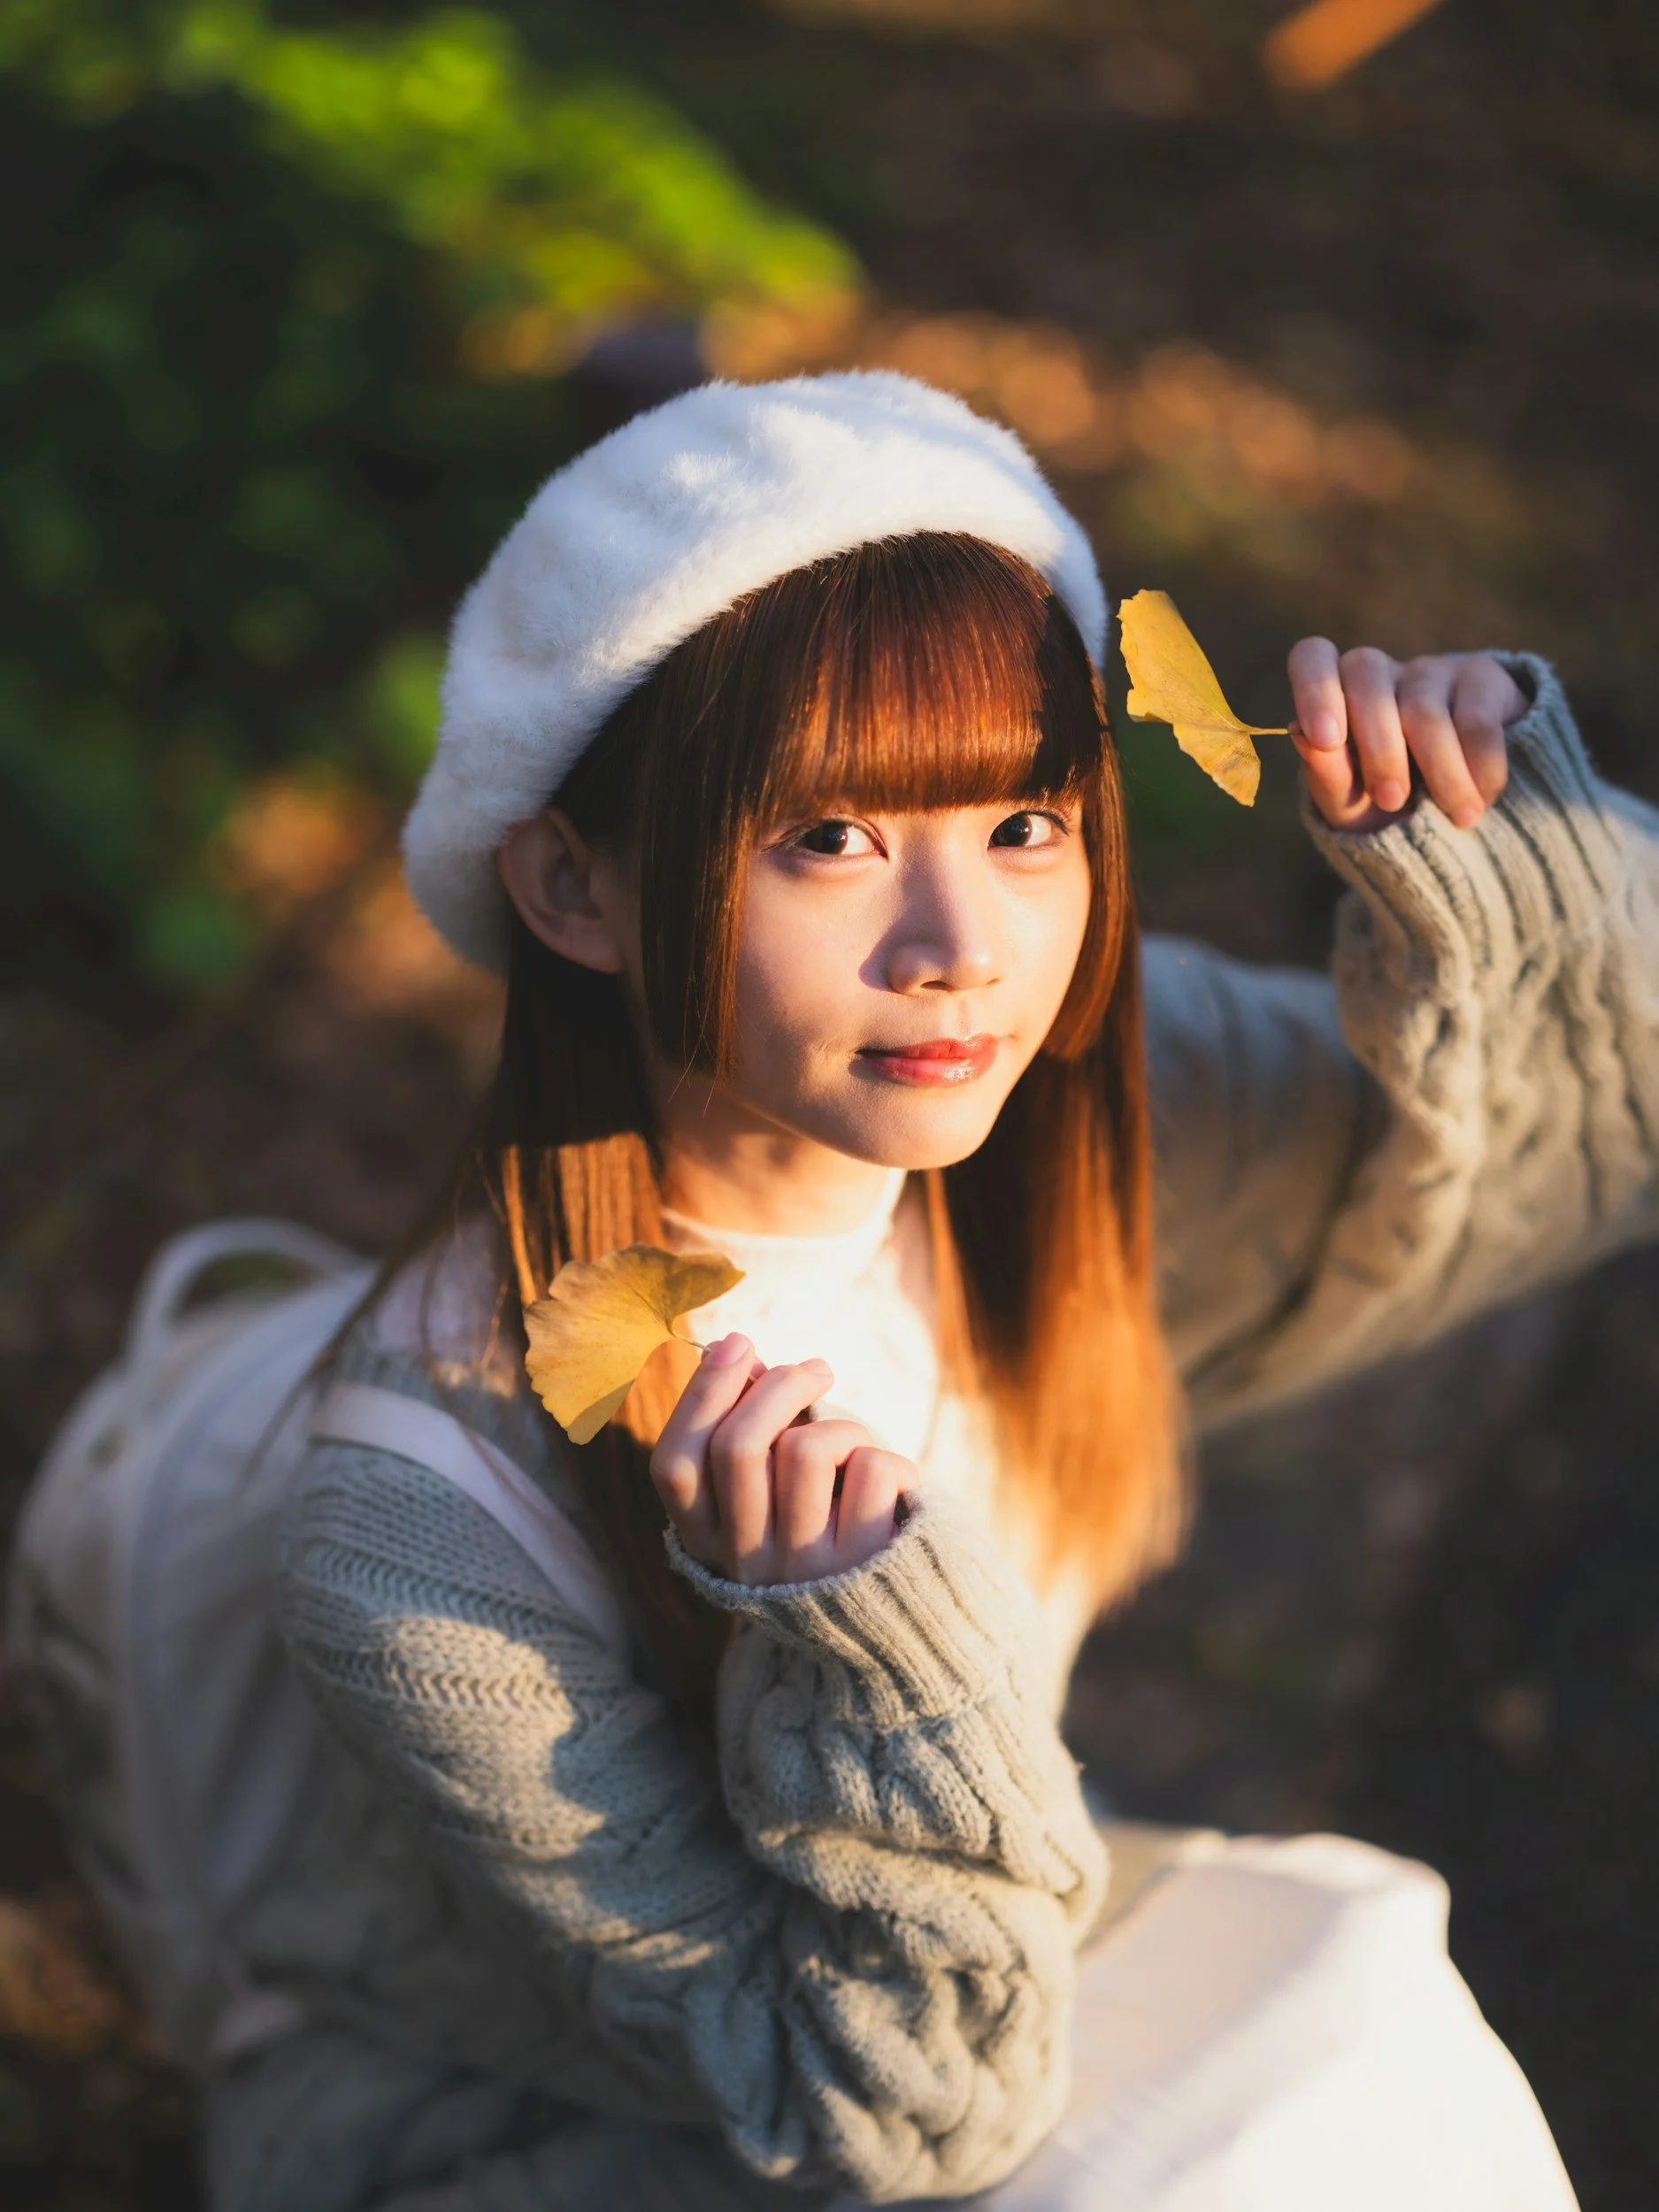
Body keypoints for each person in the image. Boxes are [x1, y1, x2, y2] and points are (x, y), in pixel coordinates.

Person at [114, 377, 1659, 2206]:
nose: (959, 951)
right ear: (568, 884)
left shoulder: (1066, 1092)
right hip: (548, 2127)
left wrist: (1514, 883)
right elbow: (905, 2111)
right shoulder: (426, 1526)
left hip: (978, 1960)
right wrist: (859, 1637)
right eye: (828, 838)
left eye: (1025, 823)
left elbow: (1574, 1168)